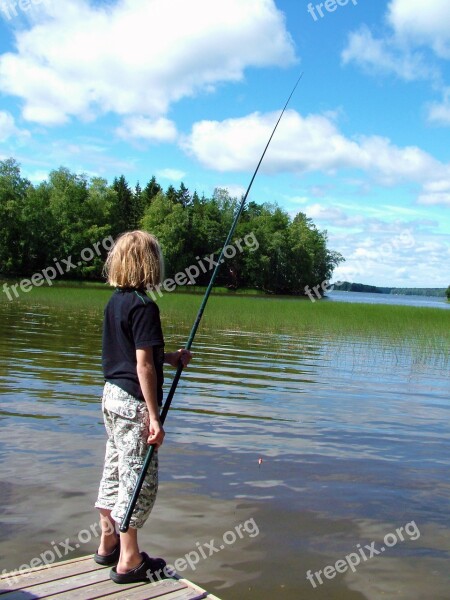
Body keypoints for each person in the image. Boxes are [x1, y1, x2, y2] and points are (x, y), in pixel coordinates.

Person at [94, 230, 192, 584]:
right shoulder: (145, 305)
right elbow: (142, 366)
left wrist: (171, 357)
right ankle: (129, 560)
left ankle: (108, 544)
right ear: (150, 263)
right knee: (139, 480)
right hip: (134, 402)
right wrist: (153, 416)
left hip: (110, 397)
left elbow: (138, 354)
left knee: (116, 470)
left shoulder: (116, 303)